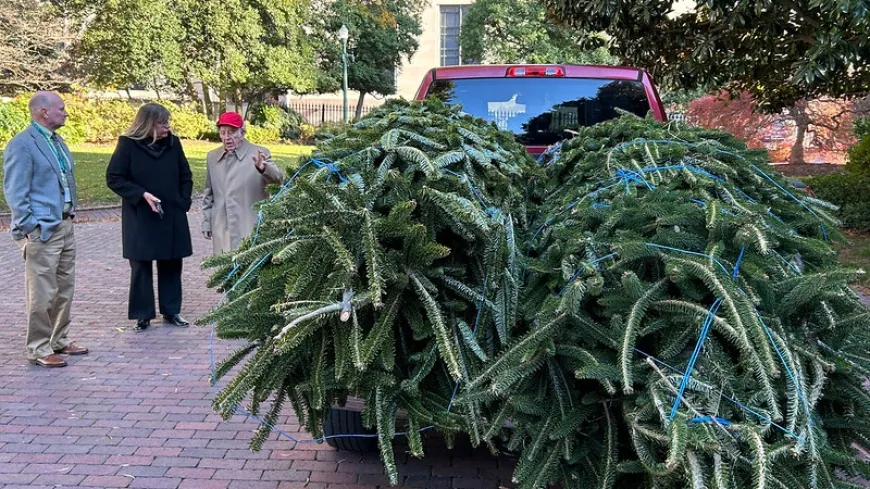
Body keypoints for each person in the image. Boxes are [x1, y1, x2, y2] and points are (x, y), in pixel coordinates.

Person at [2, 91, 88, 367]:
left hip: (64, 223)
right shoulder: (22, 145)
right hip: (42, 229)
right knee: (41, 291)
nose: (66, 113)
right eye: (61, 109)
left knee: (65, 286)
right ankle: (38, 347)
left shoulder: (57, 141)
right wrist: (30, 226)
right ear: (43, 112)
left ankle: (59, 339)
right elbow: (15, 192)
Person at [106, 103, 193, 331]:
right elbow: (114, 177)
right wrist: (141, 195)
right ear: (148, 124)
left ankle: (171, 310)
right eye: (162, 123)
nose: (167, 127)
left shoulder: (174, 144)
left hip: (171, 213)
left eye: (167, 123)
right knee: (141, 266)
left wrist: (182, 202)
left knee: (172, 263)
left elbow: (186, 175)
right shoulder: (128, 145)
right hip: (140, 216)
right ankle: (142, 314)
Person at [202, 112, 284, 254]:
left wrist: (263, 168)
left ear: (242, 132)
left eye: (232, 132)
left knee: (248, 270)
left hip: (249, 226)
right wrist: (207, 222)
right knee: (223, 271)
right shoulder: (212, 157)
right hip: (221, 228)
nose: (227, 138)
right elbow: (209, 194)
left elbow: (278, 180)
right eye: (223, 133)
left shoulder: (259, 153)